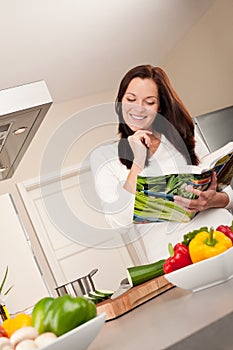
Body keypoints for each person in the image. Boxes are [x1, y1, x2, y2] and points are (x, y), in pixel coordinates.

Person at [90, 64, 233, 261]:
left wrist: (213, 200)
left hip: (220, 237)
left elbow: (222, 194)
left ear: (160, 107)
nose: (138, 108)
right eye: (130, 99)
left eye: (149, 102)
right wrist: (137, 161)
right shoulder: (105, 157)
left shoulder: (184, 137)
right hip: (171, 257)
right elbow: (118, 221)